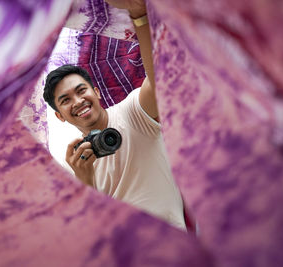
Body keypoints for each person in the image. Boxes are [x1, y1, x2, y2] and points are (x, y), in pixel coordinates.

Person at [43, 0, 186, 230]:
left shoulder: (133, 113)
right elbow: (93, 233)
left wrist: (139, 13)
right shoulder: (73, 164)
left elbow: (160, 79)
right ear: (60, 116)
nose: (78, 102)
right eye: (66, 100)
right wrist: (85, 181)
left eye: (81, 91)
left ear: (96, 92)